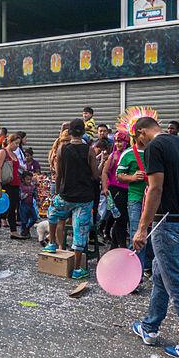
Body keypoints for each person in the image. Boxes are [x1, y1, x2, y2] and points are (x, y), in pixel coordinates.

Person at [130, 116, 179, 358]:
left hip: (165, 223)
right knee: (161, 275)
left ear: (142, 132)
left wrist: (142, 228)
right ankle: (150, 327)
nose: (138, 144)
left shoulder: (155, 147)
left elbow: (155, 188)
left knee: (177, 283)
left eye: (137, 139)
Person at [42, 118, 100, 280]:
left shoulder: (62, 149)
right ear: (83, 132)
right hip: (84, 198)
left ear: (69, 132)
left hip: (65, 195)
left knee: (53, 213)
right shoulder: (89, 151)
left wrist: (59, 192)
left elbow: (58, 174)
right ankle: (76, 270)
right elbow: (95, 176)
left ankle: (52, 243)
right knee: (80, 231)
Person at [117, 129, 150, 270]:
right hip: (135, 198)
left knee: (154, 234)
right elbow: (119, 175)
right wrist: (132, 177)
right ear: (135, 136)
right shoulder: (128, 153)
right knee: (136, 234)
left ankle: (147, 266)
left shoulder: (154, 152)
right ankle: (135, 273)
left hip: (153, 199)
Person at [103, 131, 130, 249]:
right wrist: (104, 187)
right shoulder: (113, 156)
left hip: (127, 191)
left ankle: (114, 246)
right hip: (115, 190)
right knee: (120, 219)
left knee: (121, 219)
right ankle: (121, 245)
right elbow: (104, 172)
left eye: (121, 141)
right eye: (117, 141)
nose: (118, 144)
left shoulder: (130, 154)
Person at [0, 133, 24, 239]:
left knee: (13, 206)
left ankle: (12, 229)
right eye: (16, 143)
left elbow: (18, 168)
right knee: (10, 207)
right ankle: (13, 231)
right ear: (10, 142)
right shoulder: (3, 152)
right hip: (7, 184)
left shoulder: (14, 154)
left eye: (18, 144)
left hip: (15, 183)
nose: (17, 146)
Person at [19, 171, 39, 238]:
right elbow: (19, 196)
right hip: (23, 205)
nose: (29, 181)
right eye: (27, 179)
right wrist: (24, 195)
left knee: (34, 218)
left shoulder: (32, 187)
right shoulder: (21, 187)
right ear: (23, 179)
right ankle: (23, 231)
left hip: (31, 205)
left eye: (30, 179)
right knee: (24, 220)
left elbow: (35, 195)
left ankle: (27, 228)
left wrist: (37, 201)